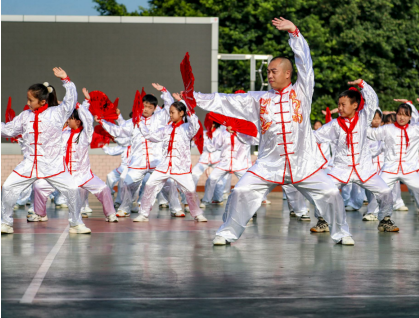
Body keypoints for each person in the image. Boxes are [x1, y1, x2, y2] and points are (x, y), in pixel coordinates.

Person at [194, 17, 354, 245]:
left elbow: (305, 63)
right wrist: (195, 98)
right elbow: (226, 101)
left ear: (288, 74)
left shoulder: (302, 92)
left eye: (273, 71)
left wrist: (295, 33)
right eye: (268, 72)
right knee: (240, 192)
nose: (269, 75)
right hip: (268, 164)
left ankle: (342, 233)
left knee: (330, 193)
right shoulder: (258, 99)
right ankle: (226, 233)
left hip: (304, 164)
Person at [1, 68, 91, 234]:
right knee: (7, 187)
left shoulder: (56, 113)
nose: (28, 103)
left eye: (31, 100)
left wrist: (67, 81)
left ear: (42, 101)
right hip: (29, 165)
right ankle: (5, 223)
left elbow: (70, 102)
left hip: (53, 166)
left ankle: (76, 223)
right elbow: (7, 130)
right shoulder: (24, 116)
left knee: (72, 189)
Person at [312, 81, 398, 232]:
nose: (339, 108)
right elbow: (315, 137)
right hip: (341, 168)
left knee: (385, 191)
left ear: (354, 105)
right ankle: (322, 221)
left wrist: (362, 84)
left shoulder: (364, 118)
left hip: (363, 168)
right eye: (338, 104)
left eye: (343, 104)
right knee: (324, 190)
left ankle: (385, 220)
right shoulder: (335, 124)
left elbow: (372, 100)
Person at [31, 91, 118, 223]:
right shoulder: (64, 133)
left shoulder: (85, 135)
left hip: (83, 175)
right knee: (39, 186)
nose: (67, 120)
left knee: (104, 189)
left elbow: (88, 119)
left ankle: (111, 214)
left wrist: (79, 105)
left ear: (77, 121)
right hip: (62, 174)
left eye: (70, 118)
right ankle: (40, 214)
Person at [96, 83, 174, 217]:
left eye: (150, 107)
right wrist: (102, 122)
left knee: (169, 183)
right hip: (138, 161)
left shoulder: (160, 118)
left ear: (155, 108)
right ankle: (124, 208)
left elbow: (169, 106)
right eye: (144, 106)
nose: (146, 109)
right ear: (140, 106)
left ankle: (176, 208)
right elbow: (117, 131)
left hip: (157, 160)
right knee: (127, 183)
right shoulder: (132, 122)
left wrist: (164, 91)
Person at [132, 100, 206, 222]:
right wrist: (140, 123)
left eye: (173, 113)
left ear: (181, 113)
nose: (170, 115)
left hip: (181, 168)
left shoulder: (187, 128)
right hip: (164, 166)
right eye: (169, 113)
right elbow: (150, 136)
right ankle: (143, 214)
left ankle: (197, 214)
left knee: (190, 191)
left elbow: (195, 126)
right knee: (150, 185)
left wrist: (190, 108)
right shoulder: (166, 129)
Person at [368, 99, 419, 220]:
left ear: (410, 117)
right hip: (390, 169)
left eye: (405, 115)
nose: (402, 117)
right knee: (380, 189)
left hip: (408, 170)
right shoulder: (387, 129)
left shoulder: (415, 129)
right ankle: (371, 213)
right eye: (400, 114)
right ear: (396, 115)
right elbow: (371, 133)